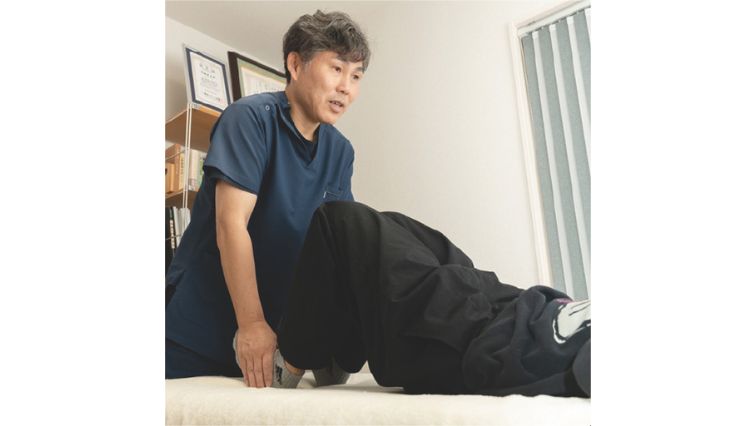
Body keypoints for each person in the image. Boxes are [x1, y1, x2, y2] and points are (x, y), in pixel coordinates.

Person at [165, 10, 371, 389]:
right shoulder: (249, 120)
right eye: (337, 69)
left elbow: (333, 243)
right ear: (295, 64)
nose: (347, 87)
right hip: (201, 327)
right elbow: (231, 225)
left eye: (356, 76)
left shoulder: (340, 151)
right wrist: (252, 324)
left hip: (271, 341)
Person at [261, 201, 591, 397]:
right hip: (510, 306)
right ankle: (338, 356)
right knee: (395, 224)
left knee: (337, 220)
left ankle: (291, 363)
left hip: (477, 335)